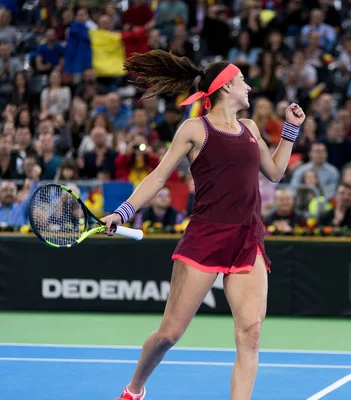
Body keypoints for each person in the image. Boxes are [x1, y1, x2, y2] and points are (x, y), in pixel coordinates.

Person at [100, 50, 305, 400]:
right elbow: (159, 176)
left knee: (250, 333)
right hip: (205, 237)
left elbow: (274, 173)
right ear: (225, 87)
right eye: (242, 80)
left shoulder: (251, 128)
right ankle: (135, 388)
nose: (249, 86)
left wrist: (290, 131)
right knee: (170, 333)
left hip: (247, 238)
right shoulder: (195, 128)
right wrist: (123, 211)